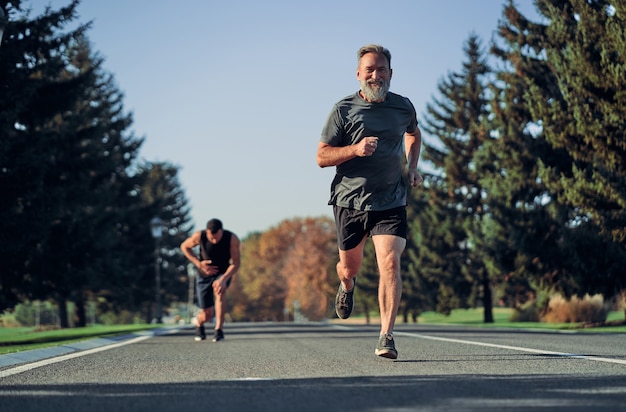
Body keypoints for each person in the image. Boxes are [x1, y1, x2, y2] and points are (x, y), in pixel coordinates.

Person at [316, 44, 423, 359]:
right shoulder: (343, 110)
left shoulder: (403, 107)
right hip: (349, 201)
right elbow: (322, 157)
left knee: (390, 262)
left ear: (391, 73)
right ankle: (347, 285)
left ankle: (386, 335)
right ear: (359, 74)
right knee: (349, 267)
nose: (376, 75)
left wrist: (413, 167)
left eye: (381, 69)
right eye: (370, 70)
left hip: (390, 199)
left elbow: (413, 134)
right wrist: (354, 149)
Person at [181, 218, 241, 342]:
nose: (214, 240)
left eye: (216, 237)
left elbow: (236, 262)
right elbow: (184, 247)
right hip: (204, 276)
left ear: (221, 231)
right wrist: (198, 263)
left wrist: (224, 279)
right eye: (211, 237)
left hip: (223, 273)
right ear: (207, 232)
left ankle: (219, 330)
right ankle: (199, 323)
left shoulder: (231, 238)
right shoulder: (199, 236)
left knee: (220, 292)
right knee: (207, 314)